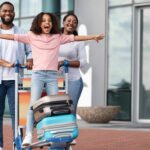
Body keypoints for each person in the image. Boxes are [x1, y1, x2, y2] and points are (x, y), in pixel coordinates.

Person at [0, 11, 104, 147]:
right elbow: (12, 36)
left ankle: (55, 133)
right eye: (43, 20)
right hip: (37, 75)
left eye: (49, 20)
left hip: (52, 76)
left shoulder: (58, 37)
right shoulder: (32, 36)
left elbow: (75, 39)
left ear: (53, 23)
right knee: (33, 105)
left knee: (55, 106)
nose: (46, 23)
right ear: (38, 23)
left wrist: (93, 37)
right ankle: (29, 134)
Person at [0, 1, 33, 150]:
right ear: (0, 13)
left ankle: (17, 144)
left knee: (17, 115)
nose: (7, 13)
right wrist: (7, 64)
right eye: (4, 11)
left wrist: (30, 59)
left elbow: (30, 50)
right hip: (0, 79)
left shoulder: (21, 32)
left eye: (10, 11)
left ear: (14, 13)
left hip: (15, 79)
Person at [58, 13, 87, 115]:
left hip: (73, 81)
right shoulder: (55, 38)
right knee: (57, 111)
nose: (71, 23)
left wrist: (65, 62)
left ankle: (71, 131)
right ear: (63, 22)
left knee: (70, 111)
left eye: (74, 22)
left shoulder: (78, 41)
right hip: (56, 80)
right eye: (69, 21)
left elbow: (83, 62)